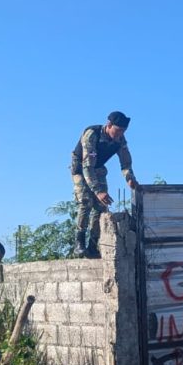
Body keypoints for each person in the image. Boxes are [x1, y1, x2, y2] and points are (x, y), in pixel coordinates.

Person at [70, 110, 139, 258]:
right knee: (86, 201)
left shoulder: (120, 140)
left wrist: (129, 178)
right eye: (118, 130)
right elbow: (87, 166)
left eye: (123, 131)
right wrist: (97, 191)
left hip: (99, 169)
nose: (120, 134)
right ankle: (79, 243)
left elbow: (126, 163)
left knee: (101, 207)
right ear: (109, 125)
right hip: (81, 168)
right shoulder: (91, 134)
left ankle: (93, 245)